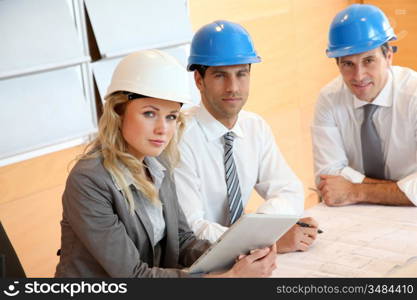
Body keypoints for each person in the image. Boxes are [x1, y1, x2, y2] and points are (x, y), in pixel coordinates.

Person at [55, 49, 277, 278]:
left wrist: (236, 256)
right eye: (150, 114)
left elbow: (182, 241)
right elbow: (133, 276)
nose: (163, 129)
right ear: (118, 112)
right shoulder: (89, 180)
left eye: (171, 116)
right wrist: (228, 278)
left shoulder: (157, 162)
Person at [174, 20, 319, 253]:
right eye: (221, 76)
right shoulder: (179, 138)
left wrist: (260, 228)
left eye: (241, 74)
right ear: (199, 81)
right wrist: (265, 241)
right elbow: (192, 229)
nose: (233, 87)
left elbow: (289, 190)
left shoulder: (255, 127)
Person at [312, 4, 417, 207]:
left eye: (369, 60)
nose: (359, 76)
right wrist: (400, 189)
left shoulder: (414, 95)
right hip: (357, 212)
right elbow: (328, 175)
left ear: (388, 57)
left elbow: (343, 187)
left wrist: (356, 191)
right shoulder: (328, 98)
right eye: (348, 64)